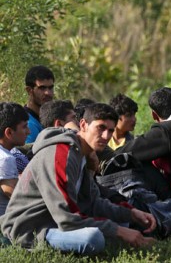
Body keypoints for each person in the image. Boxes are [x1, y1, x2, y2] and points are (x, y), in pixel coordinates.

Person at [0, 103, 157, 255]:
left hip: (53, 222)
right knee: (94, 238)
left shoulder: (81, 154)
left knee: (123, 221)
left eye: (110, 130)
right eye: (100, 128)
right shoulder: (61, 153)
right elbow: (67, 218)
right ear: (83, 125)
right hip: (28, 229)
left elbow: (93, 202)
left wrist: (132, 213)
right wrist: (118, 231)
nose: (106, 136)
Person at [0, 103, 30, 215]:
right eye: (24, 127)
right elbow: (19, 201)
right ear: (9, 132)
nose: (29, 131)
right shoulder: (5, 159)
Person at [24, 65, 55, 143]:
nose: (48, 93)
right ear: (29, 90)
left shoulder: (49, 118)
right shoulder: (27, 124)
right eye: (42, 88)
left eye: (50, 88)